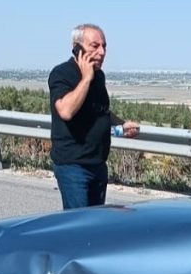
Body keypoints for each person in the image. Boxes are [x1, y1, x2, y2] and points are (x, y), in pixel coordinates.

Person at [48, 23, 139, 209]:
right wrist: (86, 78)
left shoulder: (99, 76)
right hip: (73, 166)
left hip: (98, 164)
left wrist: (122, 124)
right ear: (77, 47)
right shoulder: (62, 73)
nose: (102, 52)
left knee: (94, 225)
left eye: (104, 46)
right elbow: (65, 111)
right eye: (95, 46)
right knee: (79, 227)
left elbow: (100, 110)